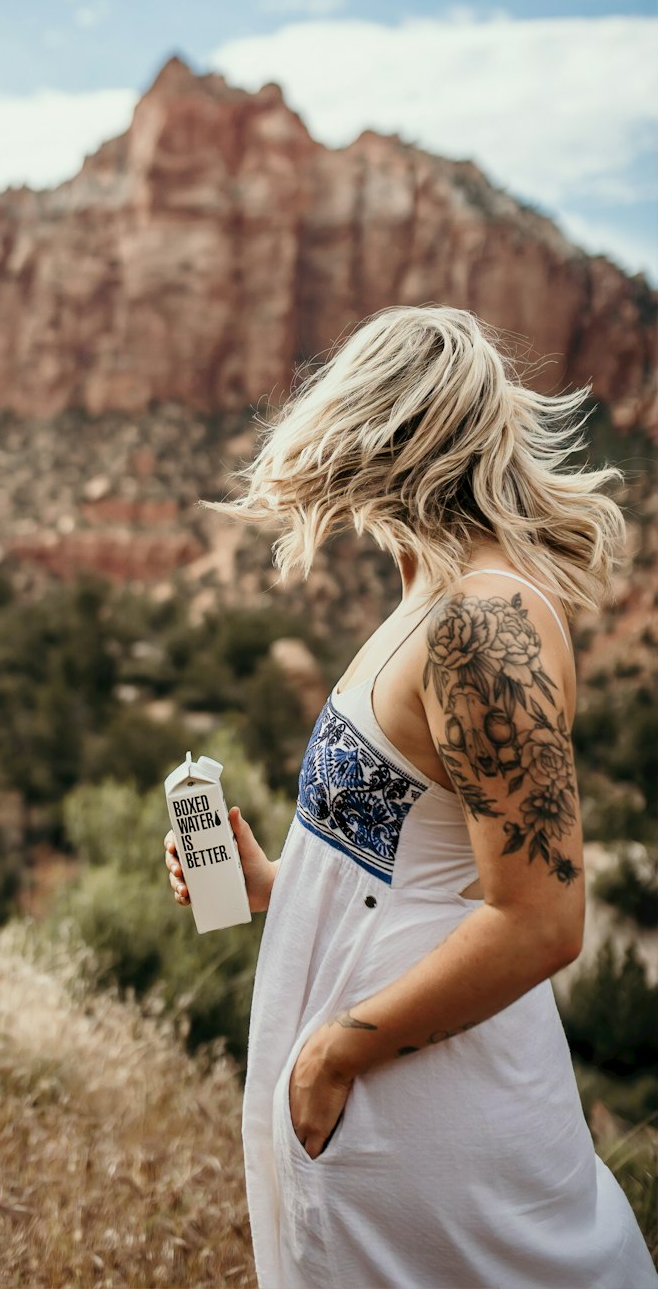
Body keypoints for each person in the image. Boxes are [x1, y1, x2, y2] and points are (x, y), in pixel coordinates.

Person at [162, 306, 657, 1289]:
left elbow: (543, 919)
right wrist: (276, 883)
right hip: (379, 1088)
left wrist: (334, 1057)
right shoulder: (428, 599)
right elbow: (411, 855)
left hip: (417, 1098)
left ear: (389, 434)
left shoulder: (482, 621)